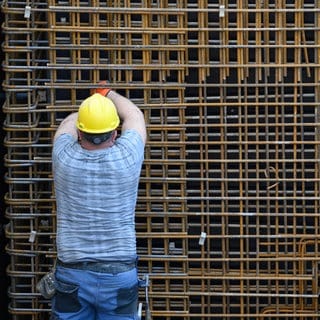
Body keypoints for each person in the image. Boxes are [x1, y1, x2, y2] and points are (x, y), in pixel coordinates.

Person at [51, 84, 146, 320]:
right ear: (115, 132)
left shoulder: (63, 157)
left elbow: (66, 125)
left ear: (80, 133)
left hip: (72, 273)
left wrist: (88, 106)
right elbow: (134, 115)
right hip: (119, 273)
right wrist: (105, 94)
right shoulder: (127, 157)